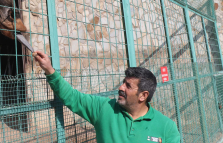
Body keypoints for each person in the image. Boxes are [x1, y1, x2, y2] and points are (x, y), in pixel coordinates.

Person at [33, 51, 180, 143]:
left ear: (143, 96)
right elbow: (72, 97)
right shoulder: (103, 108)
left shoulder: (167, 128)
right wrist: (49, 70)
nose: (121, 87)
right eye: (123, 83)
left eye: (128, 86)